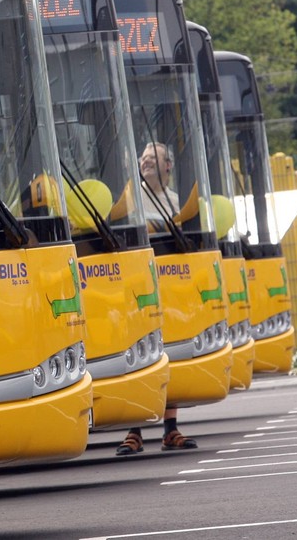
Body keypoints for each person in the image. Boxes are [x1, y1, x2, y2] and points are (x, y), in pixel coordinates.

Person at [116, 141, 198, 455]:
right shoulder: (129, 201)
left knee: (170, 355)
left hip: (170, 288)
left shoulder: (178, 203)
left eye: (154, 158)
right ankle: (134, 430)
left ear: (168, 166)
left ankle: (170, 429)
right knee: (138, 356)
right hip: (138, 287)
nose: (147, 162)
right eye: (144, 159)